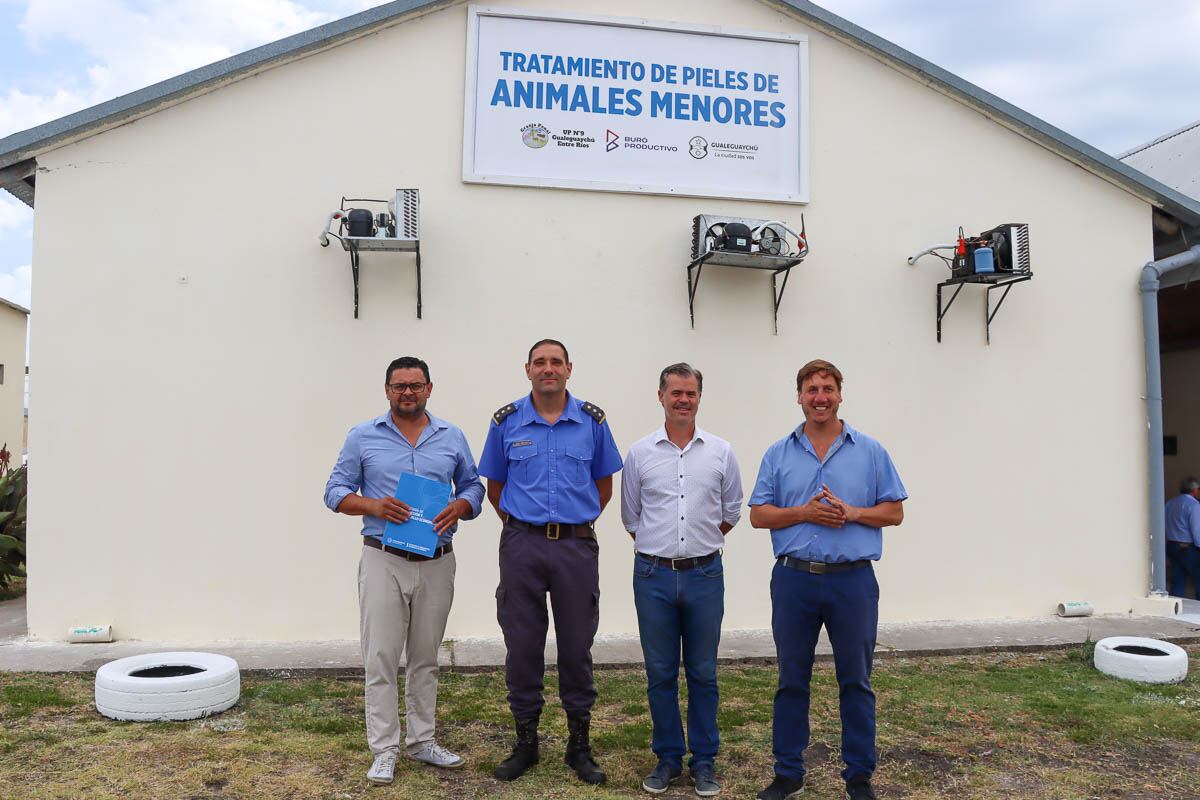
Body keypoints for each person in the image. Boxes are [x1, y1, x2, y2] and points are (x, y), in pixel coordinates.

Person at [749, 359, 907, 800]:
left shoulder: (869, 450)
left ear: (840, 395)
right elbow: (759, 515)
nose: (820, 397)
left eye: (828, 388)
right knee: (791, 679)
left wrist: (852, 512)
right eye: (811, 389)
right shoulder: (778, 453)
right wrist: (804, 512)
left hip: (852, 581)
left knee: (855, 679)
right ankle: (788, 773)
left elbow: (894, 511)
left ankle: (858, 776)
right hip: (794, 580)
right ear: (798, 396)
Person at [324, 356, 484, 786]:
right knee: (380, 656)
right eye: (400, 386)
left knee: (426, 657)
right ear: (387, 390)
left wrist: (462, 506)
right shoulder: (362, 437)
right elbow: (334, 491)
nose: (408, 392)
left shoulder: (452, 436)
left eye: (416, 385)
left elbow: (473, 484)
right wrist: (373, 505)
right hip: (383, 559)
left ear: (429, 388)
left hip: (436, 560)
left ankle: (422, 740)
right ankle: (385, 748)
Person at [478, 338, 623, 785]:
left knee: (577, 645)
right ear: (527, 369)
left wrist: (568, 527)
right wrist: (531, 527)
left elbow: (603, 488)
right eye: (539, 362)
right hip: (522, 545)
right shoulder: (505, 422)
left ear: (569, 368)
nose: (548, 369)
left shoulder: (592, 422)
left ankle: (579, 744)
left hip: (576, 548)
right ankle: (526, 741)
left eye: (555, 362)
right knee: (522, 646)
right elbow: (495, 489)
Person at [621, 363, 743, 797]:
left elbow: (731, 512)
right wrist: (666, 546)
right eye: (675, 393)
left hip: (705, 575)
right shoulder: (639, 454)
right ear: (661, 396)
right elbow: (631, 517)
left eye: (690, 393)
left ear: (699, 398)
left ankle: (704, 761)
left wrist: (697, 543)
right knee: (659, 673)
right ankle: (668, 758)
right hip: (653, 575)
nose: (683, 400)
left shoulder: (721, 452)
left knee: (704, 673)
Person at [1165, 476, 1200, 599]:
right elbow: (1196, 530)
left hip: (1172, 546)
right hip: (1187, 548)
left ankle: (1176, 607)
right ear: (1194, 490)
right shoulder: (1194, 505)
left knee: (1177, 579)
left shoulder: (1170, 503)